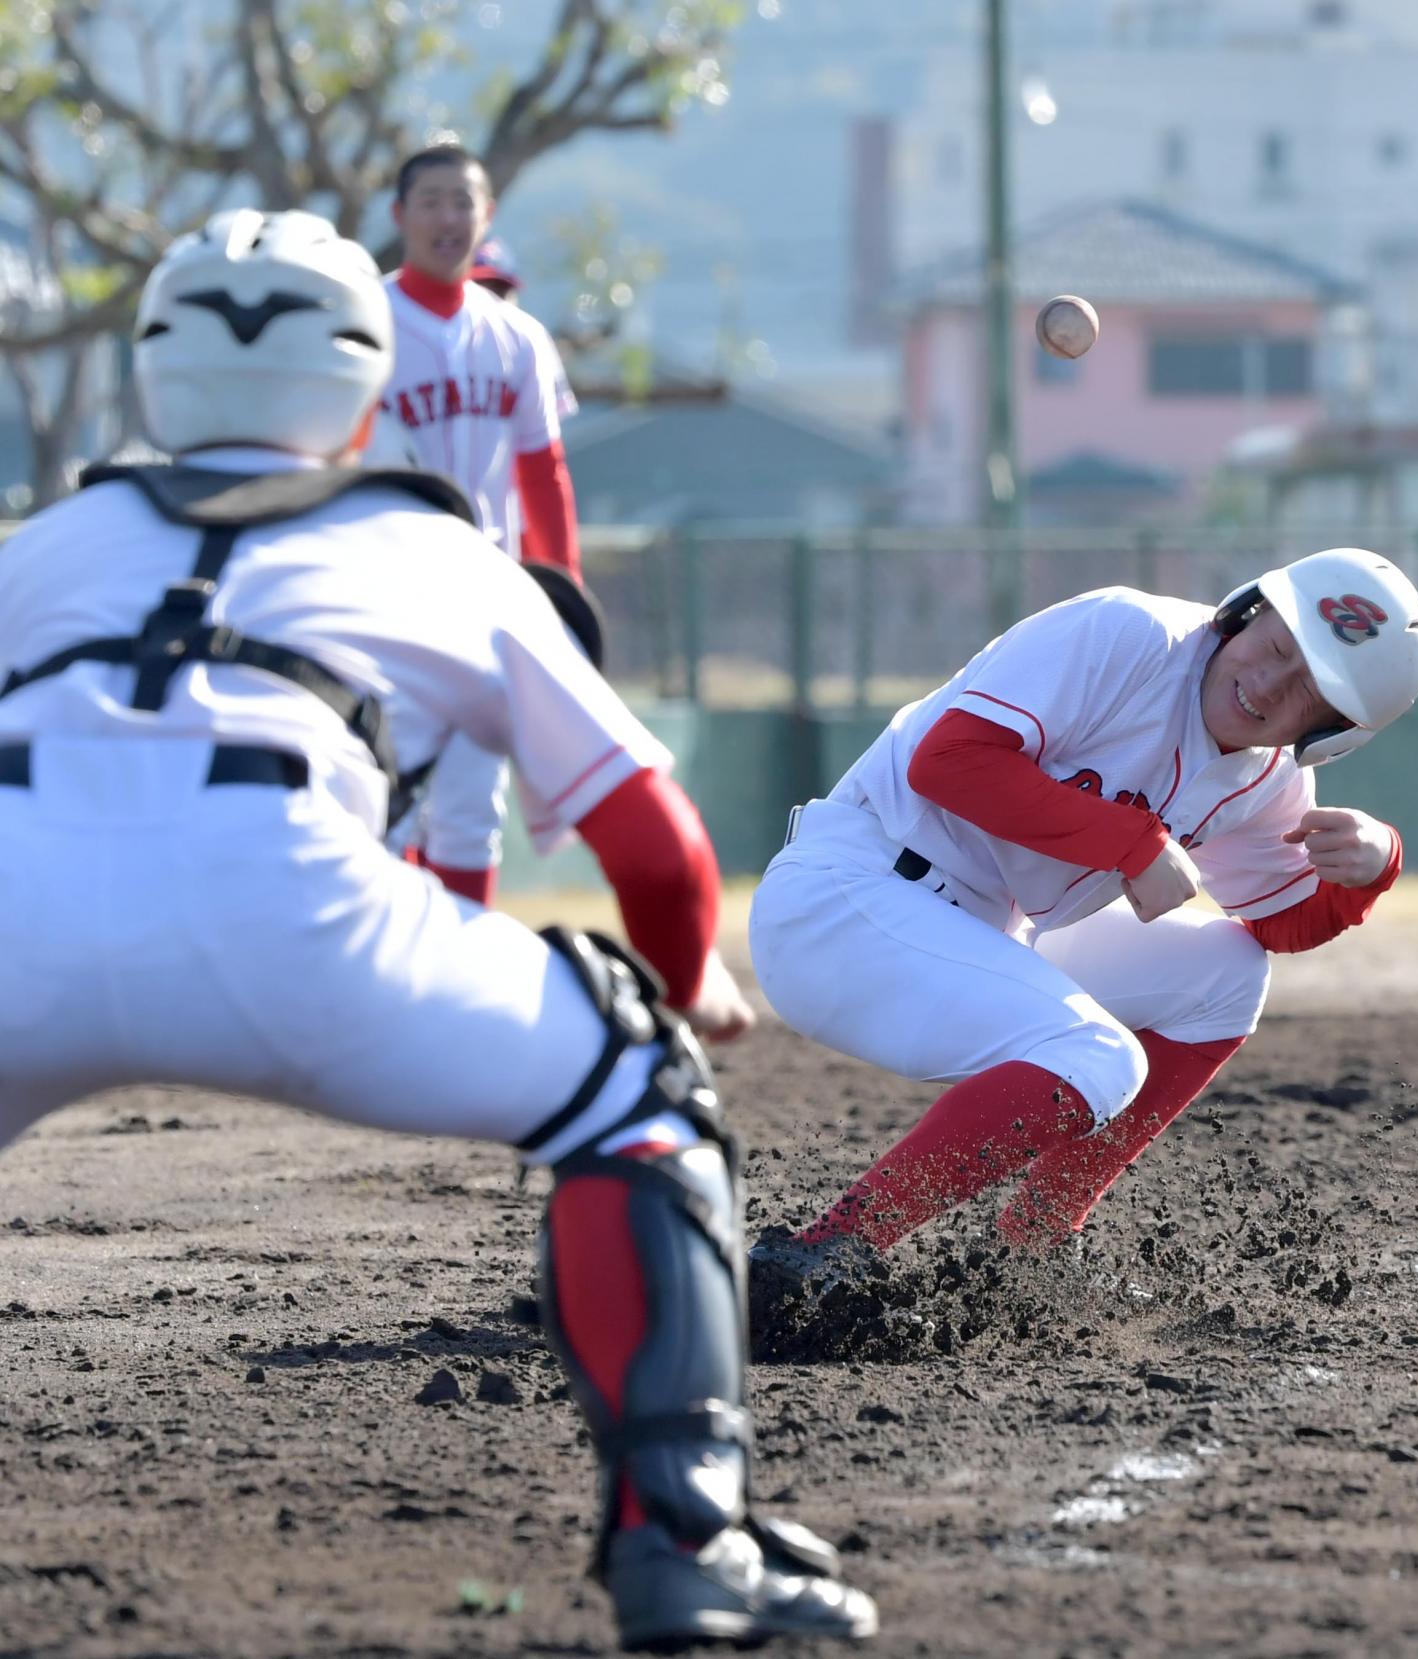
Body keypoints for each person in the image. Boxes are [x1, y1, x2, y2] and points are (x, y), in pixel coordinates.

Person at [0, 209, 874, 1652]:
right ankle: (684, 1542)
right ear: (363, 383)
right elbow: (655, 841)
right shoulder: (430, 541)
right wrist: (674, 990)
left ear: (153, 367)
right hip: (293, 911)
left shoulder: (50, 540)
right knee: (637, 1101)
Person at [744, 552, 1418, 1295]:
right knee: (1100, 1057)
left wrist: (1373, 863)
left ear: (1334, 731)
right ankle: (824, 1253)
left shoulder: (1270, 779)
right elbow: (948, 761)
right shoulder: (1128, 635)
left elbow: (1279, 923)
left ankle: (1033, 1241)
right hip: (846, 898)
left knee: (1226, 977)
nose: (1269, 683)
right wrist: (1133, 844)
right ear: (1251, 608)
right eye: (1276, 646)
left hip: (979, 929)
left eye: (1310, 688)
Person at [382, 143, 583, 907]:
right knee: (381, 808)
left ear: (487, 215)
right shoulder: (363, 325)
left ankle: (454, 971)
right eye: (430, 200)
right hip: (384, 602)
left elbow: (544, 474)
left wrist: (561, 592)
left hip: (485, 606)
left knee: (469, 813)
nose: (447, 217)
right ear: (400, 216)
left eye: (462, 201)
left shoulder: (518, 335)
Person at [468, 233, 586, 570]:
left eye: (499, 290)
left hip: (519, 524)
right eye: (479, 288)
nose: (491, 300)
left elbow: (546, 465)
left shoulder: (526, 339)